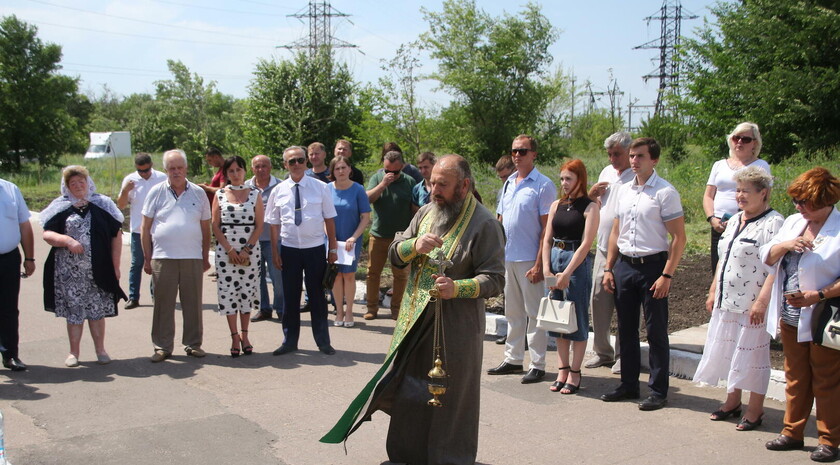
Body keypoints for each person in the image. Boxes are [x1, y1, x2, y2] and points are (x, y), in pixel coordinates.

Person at [321, 154, 505, 465]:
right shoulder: (426, 213)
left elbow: (496, 279)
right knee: (411, 388)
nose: (434, 189)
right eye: (432, 182)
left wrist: (457, 288)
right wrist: (413, 245)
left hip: (455, 328)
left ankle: (450, 458)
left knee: (449, 396)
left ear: (464, 186)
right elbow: (396, 251)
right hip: (414, 322)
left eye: (442, 185)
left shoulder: (484, 224)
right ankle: (407, 456)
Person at [693, 167, 783, 431]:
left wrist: (762, 302)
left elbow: (775, 267)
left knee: (753, 357)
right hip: (727, 299)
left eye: (746, 191)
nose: (740, 196)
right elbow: (723, 258)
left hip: (751, 305)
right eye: (738, 190)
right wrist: (712, 291)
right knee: (731, 352)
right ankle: (732, 402)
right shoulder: (734, 220)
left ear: (763, 193)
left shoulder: (773, 222)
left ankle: (756, 410)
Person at [760, 167, 840, 462]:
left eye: (806, 203)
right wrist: (786, 244)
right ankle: (792, 432)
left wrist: (816, 296)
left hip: (823, 318)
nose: (800, 208)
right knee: (796, 377)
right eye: (796, 202)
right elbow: (766, 255)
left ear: (826, 200)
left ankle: (829, 440)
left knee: (827, 379)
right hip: (790, 314)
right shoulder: (794, 222)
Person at [601, 137, 686, 411]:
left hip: (653, 268)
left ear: (654, 160)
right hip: (625, 266)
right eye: (633, 156)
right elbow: (616, 231)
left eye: (640, 156)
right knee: (625, 328)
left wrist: (667, 275)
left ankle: (658, 390)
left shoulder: (665, 192)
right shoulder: (623, 190)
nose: (634, 161)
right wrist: (608, 268)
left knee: (656, 330)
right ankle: (628, 384)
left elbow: (679, 238)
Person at [41, 166, 126, 367]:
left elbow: (116, 236)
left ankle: (101, 350)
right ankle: (74, 353)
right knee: (74, 313)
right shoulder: (61, 207)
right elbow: (47, 234)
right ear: (67, 187)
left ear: (88, 183)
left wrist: (116, 266)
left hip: (99, 270)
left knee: (96, 312)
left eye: (81, 182)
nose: (78, 186)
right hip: (69, 273)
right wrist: (67, 241)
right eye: (73, 183)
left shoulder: (102, 204)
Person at [488, 134, 556, 384]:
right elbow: (500, 221)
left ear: (534, 154)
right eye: (514, 151)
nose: (517, 155)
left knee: (535, 313)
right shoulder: (508, 184)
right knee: (513, 311)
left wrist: (540, 263)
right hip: (508, 258)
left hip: (530, 259)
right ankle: (513, 358)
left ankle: (537, 363)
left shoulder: (543, 185)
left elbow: (546, 229)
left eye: (523, 151)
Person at [265, 146, 339, 356]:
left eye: (300, 160)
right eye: (291, 161)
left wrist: (332, 248)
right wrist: (275, 252)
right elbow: (273, 224)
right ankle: (290, 341)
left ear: (306, 162)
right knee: (290, 297)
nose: (296, 164)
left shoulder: (321, 187)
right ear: (285, 165)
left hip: (314, 249)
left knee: (317, 297)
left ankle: (323, 342)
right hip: (289, 250)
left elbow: (329, 218)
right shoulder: (278, 191)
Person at [141, 149, 212, 362]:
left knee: (193, 303)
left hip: (192, 257)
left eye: (180, 167)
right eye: (172, 168)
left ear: (186, 168)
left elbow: (206, 228)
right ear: (165, 170)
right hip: (163, 257)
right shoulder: (156, 192)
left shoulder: (198, 193)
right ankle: (162, 346)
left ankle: (193, 344)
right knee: (163, 304)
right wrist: (147, 257)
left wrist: (205, 256)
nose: (176, 172)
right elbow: (145, 228)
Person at [542, 159, 598, 394]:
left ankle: (575, 372)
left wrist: (567, 272)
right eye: (562, 178)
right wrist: (546, 268)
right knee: (556, 317)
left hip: (575, 261)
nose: (564, 183)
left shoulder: (590, 206)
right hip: (555, 256)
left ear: (580, 180)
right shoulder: (556, 205)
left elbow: (586, 244)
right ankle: (562, 369)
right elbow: (546, 239)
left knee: (576, 316)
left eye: (569, 179)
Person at [585, 132, 635, 373]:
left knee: (625, 304)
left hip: (626, 250)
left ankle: (624, 355)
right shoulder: (606, 173)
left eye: (617, 154)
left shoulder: (635, 176)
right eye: (610, 154)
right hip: (603, 247)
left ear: (629, 152)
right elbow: (597, 206)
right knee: (598, 300)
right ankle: (602, 351)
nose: (613, 158)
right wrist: (592, 196)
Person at [212, 156, 263, 357]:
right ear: (226, 173)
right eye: (231, 171)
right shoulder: (220, 194)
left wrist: (246, 249)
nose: (235, 174)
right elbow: (215, 225)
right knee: (228, 293)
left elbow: (260, 225)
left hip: (249, 251)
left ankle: (245, 335)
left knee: (246, 292)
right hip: (226, 252)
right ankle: (234, 336)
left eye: (238, 170)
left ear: (244, 171)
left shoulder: (255, 194)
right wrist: (230, 250)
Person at [703, 122, 770, 272]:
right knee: (718, 268)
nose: (739, 142)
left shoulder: (761, 166)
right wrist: (711, 219)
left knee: (741, 269)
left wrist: (748, 221)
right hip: (720, 224)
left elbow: (765, 199)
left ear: (755, 143)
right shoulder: (719, 165)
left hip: (746, 224)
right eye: (736, 138)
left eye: (745, 139)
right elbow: (708, 195)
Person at [364, 151, 416, 320]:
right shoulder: (377, 178)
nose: (390, 174)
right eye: (387, 170)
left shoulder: (409, 182)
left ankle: (396, 309)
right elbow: (367, 199)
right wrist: (383, 185)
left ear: (401, 167)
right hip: (378, 234)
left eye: (394, 171)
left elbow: (415, 208)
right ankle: (372, 308)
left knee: (400, 275)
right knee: (372, 273)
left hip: (401, 237)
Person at [117, 152, 166, 309]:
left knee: (157, 263)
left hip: (158, 229)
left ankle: (156, 296)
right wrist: (125, 190)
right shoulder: (130, 180)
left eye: (146, 170)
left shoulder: (162, 178)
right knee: (137, 263)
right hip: (138, 230)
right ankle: (133, 297)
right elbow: (121, 205)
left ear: (152, 166)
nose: (144, 173)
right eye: (140, 171)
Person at [328, 156, 371, 327]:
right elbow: (323, 216)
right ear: (333, 172)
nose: (341, 171)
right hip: (331, 239)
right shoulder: (326, 189)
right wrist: (330, 238)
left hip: (351, 240)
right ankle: (339, 311)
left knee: (349, 275)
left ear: (349, 169)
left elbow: (366, 217)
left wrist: (354, 237)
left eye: (343, 167)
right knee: (336, 275)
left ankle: (349, 311)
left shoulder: (358, 189)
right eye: (337, 168)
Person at [0, 178, 35, 372]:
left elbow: (24, 225)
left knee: (8, 309)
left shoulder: (10, 189)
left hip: (8, 258)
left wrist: (29, 258)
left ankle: (10, 354)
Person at [247, 155, 284, 322]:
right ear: (252, 169)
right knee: (257, 277)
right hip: (253, 240)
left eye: (264, 166)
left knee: (278, 278)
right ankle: (264, 309)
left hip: (275, 240)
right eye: (257, 166)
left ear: (270, 167)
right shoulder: (246, 186)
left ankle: (281, 309)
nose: (261, 169)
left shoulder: (281, 185)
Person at [493, 154, 515, 345]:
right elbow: (499, 217)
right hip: (505, 249)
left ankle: (520, 334)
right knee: (508, 294)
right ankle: (511, 332)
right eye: (500, 177)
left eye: (506, 176)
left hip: (522, 252)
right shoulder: (504, 190)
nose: (503, 180)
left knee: (522, 299)